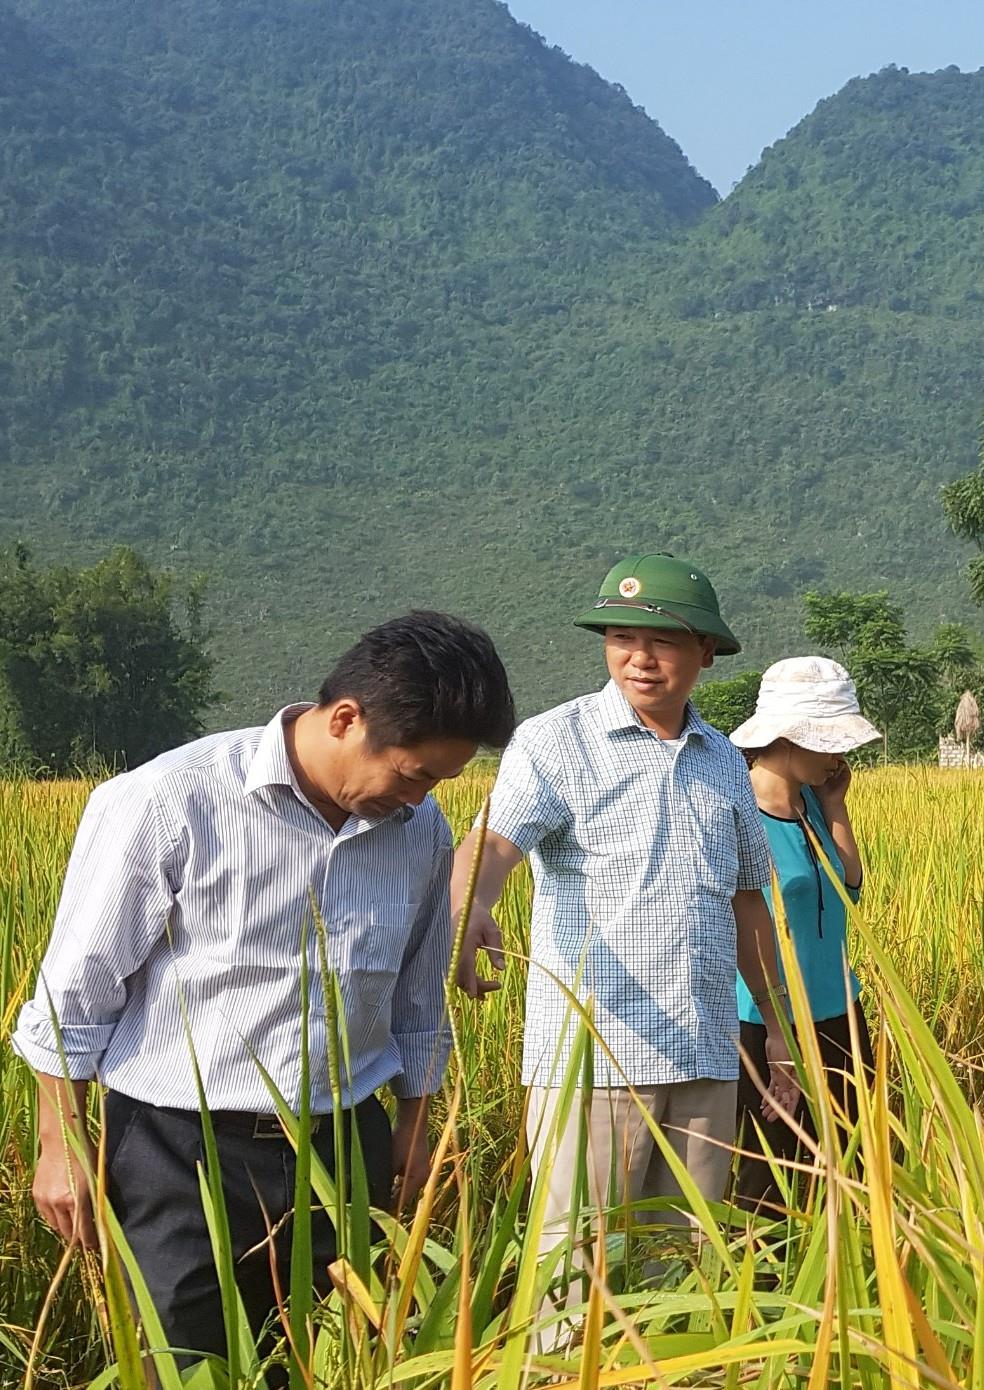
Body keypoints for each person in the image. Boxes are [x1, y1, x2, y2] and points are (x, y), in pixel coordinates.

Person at [13, 611, 516, 1370]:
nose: (419, 799)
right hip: (179, 1150)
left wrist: (415, 1124)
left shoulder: (418, 830)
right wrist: (61, 1143)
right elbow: (74, 992)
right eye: (413, 775)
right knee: (181, 1366)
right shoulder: (169, 801)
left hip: (343, 1145)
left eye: (438, 783)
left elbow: (417, 996)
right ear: (346, 719)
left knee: (325, 1360)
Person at [451, 554, 801, 1307]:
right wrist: (473, 904)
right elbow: (494, 846)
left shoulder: (724, 765)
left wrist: (775, 1026)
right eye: (620, 637)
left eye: (665, 641)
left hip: (706, 1057)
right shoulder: (556, 743)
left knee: (686, 1277)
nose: (639, 658)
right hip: (592, 1063)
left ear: (706, 652)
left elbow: (747, 905)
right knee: (575, 1284)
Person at [726, 657, 879, 1212]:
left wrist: (836, 808)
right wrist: (776, 1030)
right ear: (787, 737)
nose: (839, 756)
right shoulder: (736, 812)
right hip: (765, 1022)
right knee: (771, 1173)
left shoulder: (815, 801)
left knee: (852, 1162)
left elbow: (850, 890)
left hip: (839, 1007)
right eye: (830, 741)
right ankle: (764, 1290)